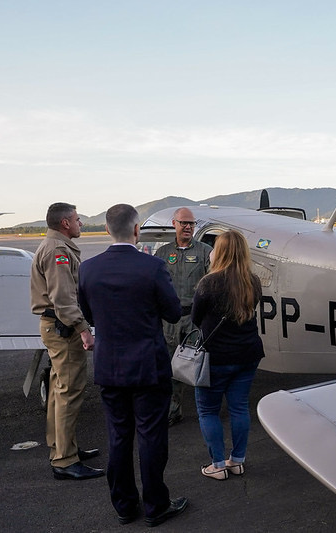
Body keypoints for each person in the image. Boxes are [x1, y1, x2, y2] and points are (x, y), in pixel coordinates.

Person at [78, 204, 188, 527]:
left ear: (109, 231)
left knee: (118, 436)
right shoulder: (152, 267)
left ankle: (125, 505)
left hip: (110, 367)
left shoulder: (89, 269)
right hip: (148, 366)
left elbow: (90, 314)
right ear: (137, 230)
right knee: (151, 437)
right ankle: (156, 505)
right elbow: (172, 312)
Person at [30, 202, 103, 481]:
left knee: (59, 391)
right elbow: (62, 298)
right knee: (69, 393)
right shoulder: (58, 251)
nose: (81, 223)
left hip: (57, 326)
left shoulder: (56, 247)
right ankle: (64, 460)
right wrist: (83, 329)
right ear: (65, 224)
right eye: (77, 219)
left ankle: (63, 448)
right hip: (63, 328)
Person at [191, 229, 265, 480]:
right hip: (247, 354)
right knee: (239, 408)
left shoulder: (208, 283)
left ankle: (218, 464)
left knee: (209, 411)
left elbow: (196, 319)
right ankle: (238, 461)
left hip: (215, 358)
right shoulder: (253, 282)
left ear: (218, 252)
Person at [154, 207, 212, 426]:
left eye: (192, 224)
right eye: (184, 223)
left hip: (195, 319)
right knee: (170, 367)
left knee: (199, 366)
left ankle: (206, 411)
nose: (188, 227)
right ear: (174, 224)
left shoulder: (205, 251)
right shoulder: (162, 253)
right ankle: (172, 411)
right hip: (169, 321)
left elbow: (212, 283)